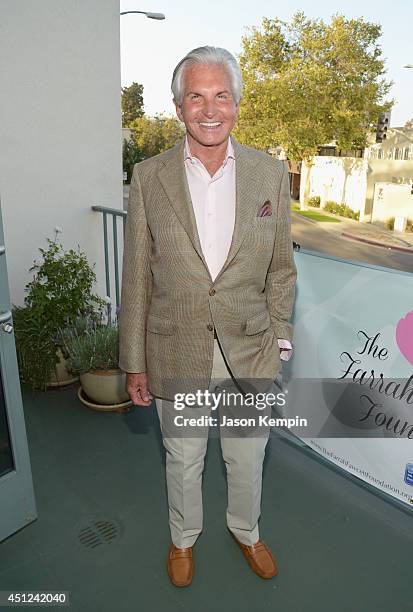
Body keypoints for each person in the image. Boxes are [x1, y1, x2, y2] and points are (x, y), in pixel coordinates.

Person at [118, 46, 297, 587]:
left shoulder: (271, 174)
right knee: (184, 458)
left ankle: (247, 530)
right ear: (178, 108)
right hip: (176, 348)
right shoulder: (149, 177)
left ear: (237, 104)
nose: (210, 107)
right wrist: (133, 361)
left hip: (250, 350)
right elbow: (137, 277)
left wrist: (279, 336)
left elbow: (283, 270)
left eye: (221, 94)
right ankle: (183, 538)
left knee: (247, 460)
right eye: (196, 96)